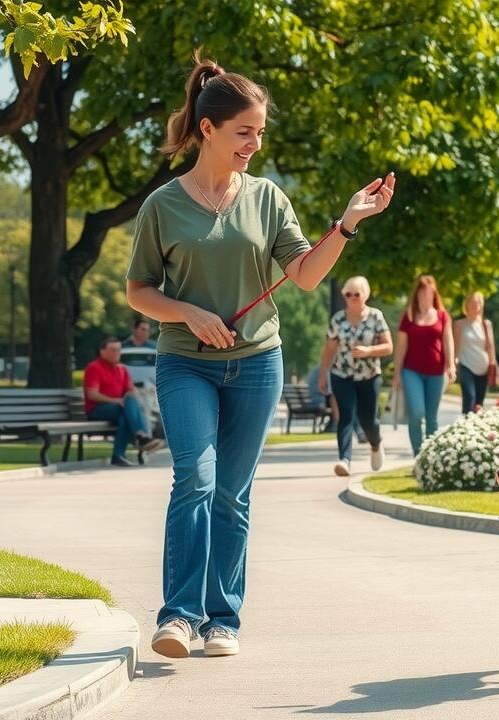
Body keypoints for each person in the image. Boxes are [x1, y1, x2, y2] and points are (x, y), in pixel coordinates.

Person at [125, 58, 394, 660]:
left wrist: (348, 223)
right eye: (244, 131)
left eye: (261, 132)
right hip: (186, 362)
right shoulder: (162, 206)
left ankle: (222, 621)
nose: (255, 143)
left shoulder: (268, 198)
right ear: (208, 129)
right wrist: (188, 312)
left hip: (256, 364)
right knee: (195, 477)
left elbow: (304, 274)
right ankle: (178, 617)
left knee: (232, 494)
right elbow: (139, 291)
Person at [318, 276, 392, 476]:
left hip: (369, 375)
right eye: (347, 294)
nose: (351, 298)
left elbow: (388, 347)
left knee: (369, 420)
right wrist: (323, 375)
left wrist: (369, 351)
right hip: (341, 374)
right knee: (346, 415)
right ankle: (345, 460)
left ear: (365, 295)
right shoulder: (338, 319)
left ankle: (375, 444)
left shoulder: (376, 317)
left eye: (356, 294)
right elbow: (329, 349)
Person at [392, 275, 454, 455]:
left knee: (432, 418)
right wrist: (396, 373)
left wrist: (451, 365)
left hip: (437, 372)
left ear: (434, 294)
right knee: (416, 413)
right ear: (417, 294)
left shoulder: (442, 316)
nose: (426, 295)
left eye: (429, 292)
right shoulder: (409, 316)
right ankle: (418, 455)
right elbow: (401, 347)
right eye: (422, 292)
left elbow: (448, 341)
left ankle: (430, 457)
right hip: (412, 371)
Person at [83, 336, 165, 466]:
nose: (116, 353)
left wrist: (131, 397)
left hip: (120, 409)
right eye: (112, 350)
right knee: (127, 407)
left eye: (118, 350)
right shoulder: (94, 368)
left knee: (125, 415)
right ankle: (141, 436)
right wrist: (115, 401)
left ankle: (120, 454)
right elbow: (92, 395)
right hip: (97, 409)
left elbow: (132, 390)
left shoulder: (122, 369)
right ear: (102, 351)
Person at [452, 292, 499, 414]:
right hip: (466, 365)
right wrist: (453, 364)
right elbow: (456, 347)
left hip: (483, 368)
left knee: (479, 404)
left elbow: (490, 347)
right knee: (469, 396)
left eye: (478, 303)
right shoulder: (459, 324)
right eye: (472, 302)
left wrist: (493, 365)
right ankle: (464, 423)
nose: (475, 305)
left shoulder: (486, 324)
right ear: (466, 305)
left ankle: (476, 425)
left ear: (481, 306)